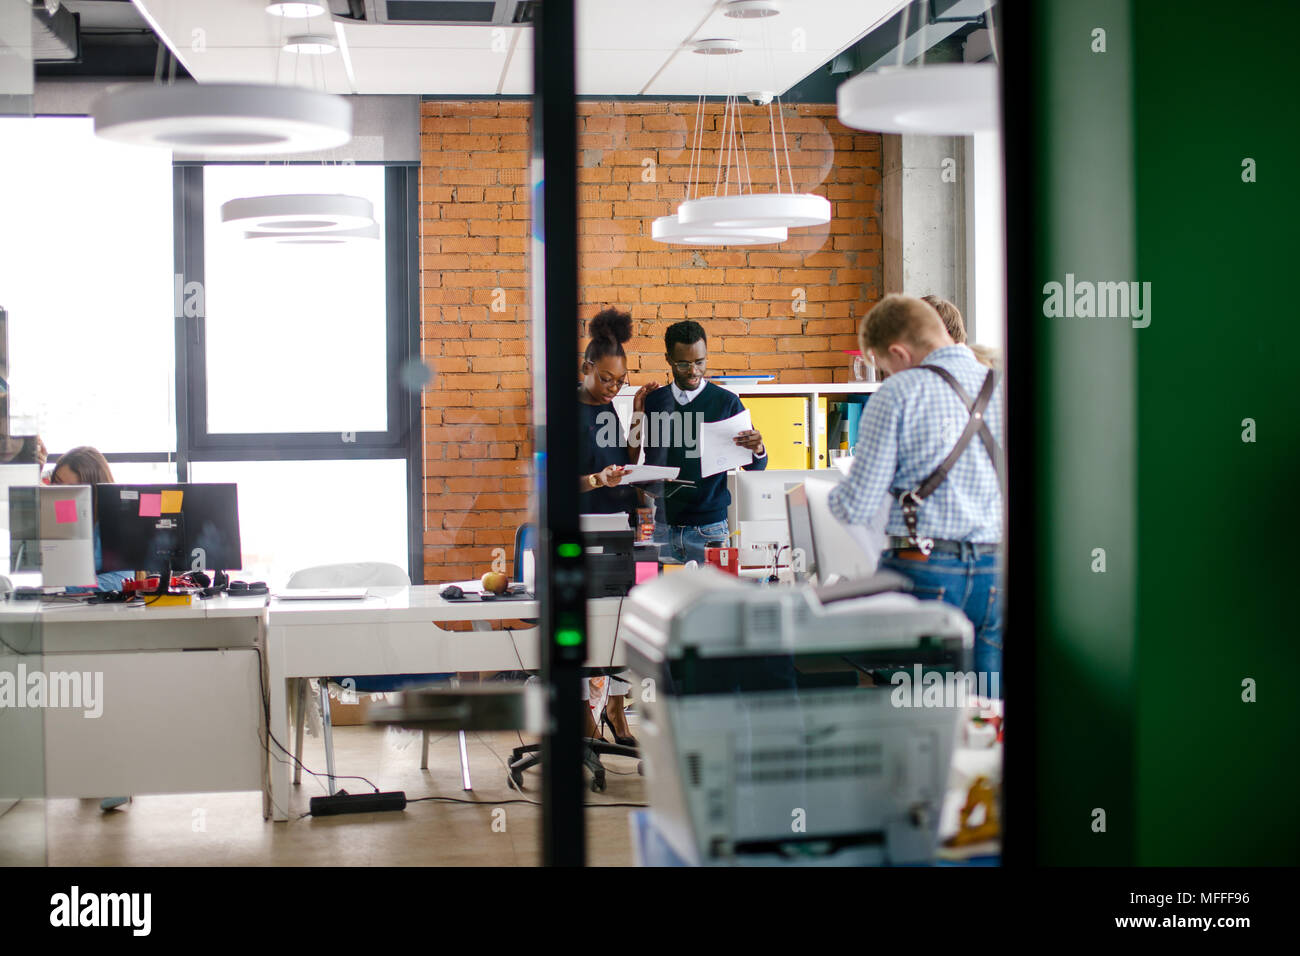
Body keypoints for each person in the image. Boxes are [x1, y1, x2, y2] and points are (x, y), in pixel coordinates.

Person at [828, 295, 1005, 693]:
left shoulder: (899, 393)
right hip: (999, 569)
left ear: (898, 353)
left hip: (927, 569)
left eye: (885, 367)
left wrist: (832, 498)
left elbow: (857, 504)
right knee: (990, 709)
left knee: (925, 711)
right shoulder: (1001, 383)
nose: (888, 375)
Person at [575, 307, 648, 746]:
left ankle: (618, 714)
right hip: (582, 535)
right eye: (606, 379)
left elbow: (630, 460)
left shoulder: (608, 410)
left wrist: (636, 411)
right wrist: (596, 480)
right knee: (588, 629)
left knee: (626, 626)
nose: (613, 388)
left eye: (620, 381)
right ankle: (585, 717)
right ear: (586, 368)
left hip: (619, 534)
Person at [641, 320, 767, 565]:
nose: (693, 371)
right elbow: (652, 461)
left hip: (710, 530)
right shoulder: (655, 401)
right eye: (684, 364)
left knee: (716, 601)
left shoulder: (727, 403)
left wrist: (758, 449)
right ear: (668, 359)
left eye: (700, 362)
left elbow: (756, 468)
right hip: (663, 529)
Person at [49, 446, 134, 593]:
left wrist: (65, 587)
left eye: (71, 488)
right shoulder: (50, 518)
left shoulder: (114, 523)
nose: (60, 493)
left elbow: (122, 579)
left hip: (99, 609)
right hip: (52, 606)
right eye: (57, 483)